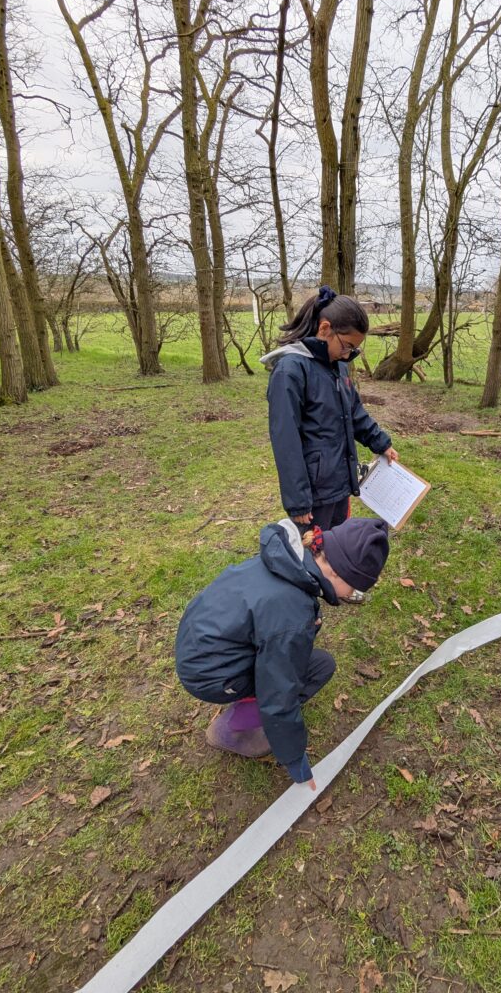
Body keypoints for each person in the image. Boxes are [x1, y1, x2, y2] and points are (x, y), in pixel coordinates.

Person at [175, 516, 390, 789]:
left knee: (313, 662)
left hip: (200, 647)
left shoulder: (288, 559)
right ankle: (232, 730)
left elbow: (268, 622)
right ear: (337, 573)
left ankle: (243, 702)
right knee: (314, 670)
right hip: (207, 673)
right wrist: (295, 761)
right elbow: (279, 691)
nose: (352, 594)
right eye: (355, 587)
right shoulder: (292, 612)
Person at [262, 285, 399, 531]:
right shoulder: (290, 371)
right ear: (325, 328)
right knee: (313, 557)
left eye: (354, 350)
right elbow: (286, 440)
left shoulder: (338, 365)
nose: (348, 354)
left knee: (334, 551)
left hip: (339, 483)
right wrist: (298, 501)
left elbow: (355, 413)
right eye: (346, 346)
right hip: (313, 494)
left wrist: (382, 443)